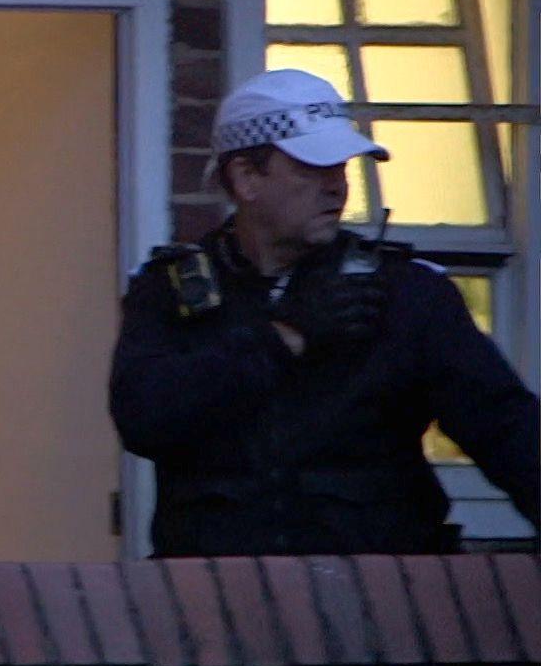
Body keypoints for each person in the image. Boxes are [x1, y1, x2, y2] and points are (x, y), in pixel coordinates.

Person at [110, 68, 538, 556]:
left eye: (342, 168)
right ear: (247, 177)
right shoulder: (172, 291)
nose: (337, 188)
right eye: (313, 168)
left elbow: (506, 428)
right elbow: (143, 418)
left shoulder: (403, 293)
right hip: (218, 605)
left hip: (383, 600)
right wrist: (282, 338)